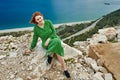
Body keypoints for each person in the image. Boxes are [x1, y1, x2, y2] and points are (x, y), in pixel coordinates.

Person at [25, 11, 71, 78]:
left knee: (57, 42)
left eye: (40, 18)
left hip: (53, 38)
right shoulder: (36, 29)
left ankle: (51, 55)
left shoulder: (48, 22)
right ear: (36, 21)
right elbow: (34, 39)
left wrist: (49, 39)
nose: (40, 20)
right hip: (45, 44)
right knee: (57, 44)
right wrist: (31, 48)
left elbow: (54, 32)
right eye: (37, 19)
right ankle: (65, 70)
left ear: (42, 17)